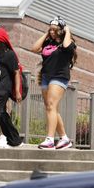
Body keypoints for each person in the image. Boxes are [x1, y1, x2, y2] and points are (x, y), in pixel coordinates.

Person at [31, 16, 77, 150]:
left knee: (51, 105)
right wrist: (47, 33)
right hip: (46, 76)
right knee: (51, 108)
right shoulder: (48, 42)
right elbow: (34, 48)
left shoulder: (68, 43)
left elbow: (67, 46)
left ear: (61, 30)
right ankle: (64, 138)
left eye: (54, 30)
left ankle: (50, 139)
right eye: (50, 29)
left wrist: (68, 31)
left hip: (59, 77)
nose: (52, 32)